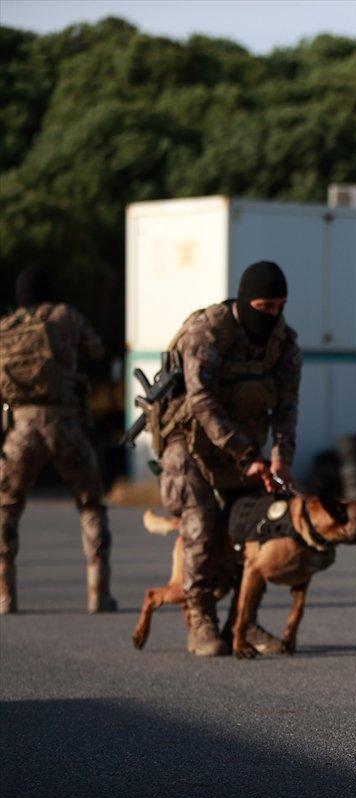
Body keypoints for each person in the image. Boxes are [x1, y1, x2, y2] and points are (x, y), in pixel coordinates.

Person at [152, 261, 301, 656]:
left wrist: (281, 457)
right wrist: (247, 454)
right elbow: (201, 401)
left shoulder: (284, 342)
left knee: (253, 532)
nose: (272, 315)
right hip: (190, 445)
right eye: (264, 306)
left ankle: (243, 621)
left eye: (279, 306)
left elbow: (287, 406)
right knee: (201, 528)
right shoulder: (209, 332)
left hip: (244, 451)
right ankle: (200, 620)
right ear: (245, 301)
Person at [0, 267, 117, 614]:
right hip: (65, 424)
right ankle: (99, 591)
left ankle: (5, 595)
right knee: (91, 503)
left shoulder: (6, 327)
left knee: (6, 507)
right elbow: (96, 350)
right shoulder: (66, 316)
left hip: (20, 427)